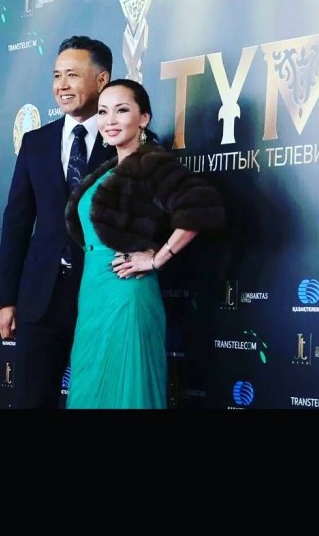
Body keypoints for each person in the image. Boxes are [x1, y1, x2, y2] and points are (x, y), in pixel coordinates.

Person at [64, 78, 226, 409]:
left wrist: (157, 258)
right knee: (89, 386)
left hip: (127, 291)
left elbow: (200, 208)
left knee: (129, 386)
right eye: (103, 112)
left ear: (144, 118)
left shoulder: (152, 163)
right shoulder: (109, 169)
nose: (110, 120)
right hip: (93, 291)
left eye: (122, 110)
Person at [0, 35, 116, 409]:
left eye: (73, 75)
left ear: (102, 80)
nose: (62, 85)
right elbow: (17, 223)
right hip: (40, 300)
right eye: (57, 75)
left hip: (101, 297)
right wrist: (6, 300)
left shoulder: (123, 142)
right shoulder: (36, 143)